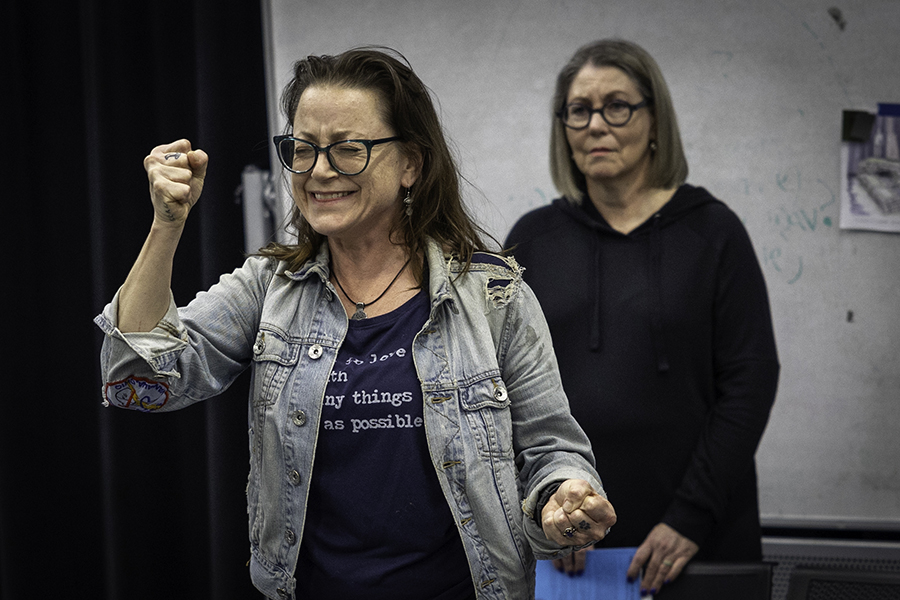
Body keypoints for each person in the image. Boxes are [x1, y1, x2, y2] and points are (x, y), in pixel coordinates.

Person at [95, 47, 616, 600]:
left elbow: (550, 446)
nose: (320, 171)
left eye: (349, 150)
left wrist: (564, 492)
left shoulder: (494, 297)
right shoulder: (271, 287)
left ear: (411, 164)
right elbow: (139, 382)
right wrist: (166, 226)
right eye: (303, 149)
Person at [505, 39, 779, 597]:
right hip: (570, 545)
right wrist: (550, 515)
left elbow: (750, 383)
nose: (596, 125)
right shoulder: (532, 240)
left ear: (655, 120)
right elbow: (502, 392)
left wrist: (689, 519)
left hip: (694, 538)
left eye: (618, 106)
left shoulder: (714, 233)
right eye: (579, 110)